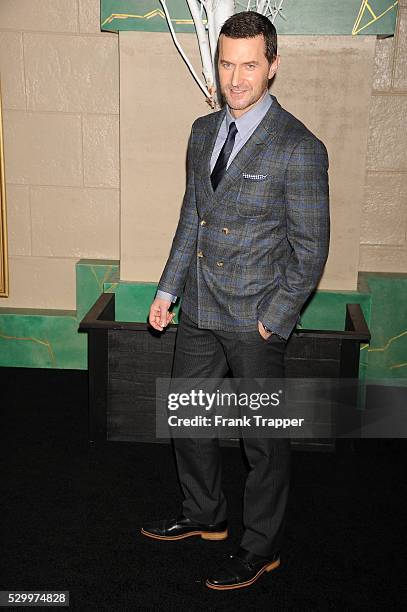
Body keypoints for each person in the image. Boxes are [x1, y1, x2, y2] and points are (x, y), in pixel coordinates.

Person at [141, 11, 330, 591]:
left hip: (255, 320)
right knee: (189, 420)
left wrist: (276, 320)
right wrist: (169, 287)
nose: (237, 78)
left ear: (273, 65)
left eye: (250, 65)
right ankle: (206, 516)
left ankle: (261, 547)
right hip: (199, 307)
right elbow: (191, 218)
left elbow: (311, 247)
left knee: (262, 443)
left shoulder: (299, 147)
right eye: (227, 64)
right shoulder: (203, 131)